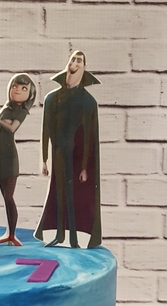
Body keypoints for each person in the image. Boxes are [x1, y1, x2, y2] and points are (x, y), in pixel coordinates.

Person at [34, 50, 102, 249]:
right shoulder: (52, 99)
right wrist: (44, 160)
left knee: (72, 196)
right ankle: (59, 235)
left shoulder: (88, 102)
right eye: (73, 59)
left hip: (77, 156)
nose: (76, 63)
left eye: (80, 60)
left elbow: (89, 137)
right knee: (59, 194)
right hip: (58, 154)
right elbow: (45, 130)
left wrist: (84, 167)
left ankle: (74, 237)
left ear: (84, 67)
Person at [0, 73, 36, 246]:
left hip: (9, 158)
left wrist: (1, 121)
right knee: (5, 197)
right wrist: (2, 119)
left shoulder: (21, 111)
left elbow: (12, 128)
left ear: (30, 94)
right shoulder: (7, 108)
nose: (17, 90)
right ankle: (8, 233)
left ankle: (12, 234)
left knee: (9, 197)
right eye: (15, 86)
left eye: (23, 88)